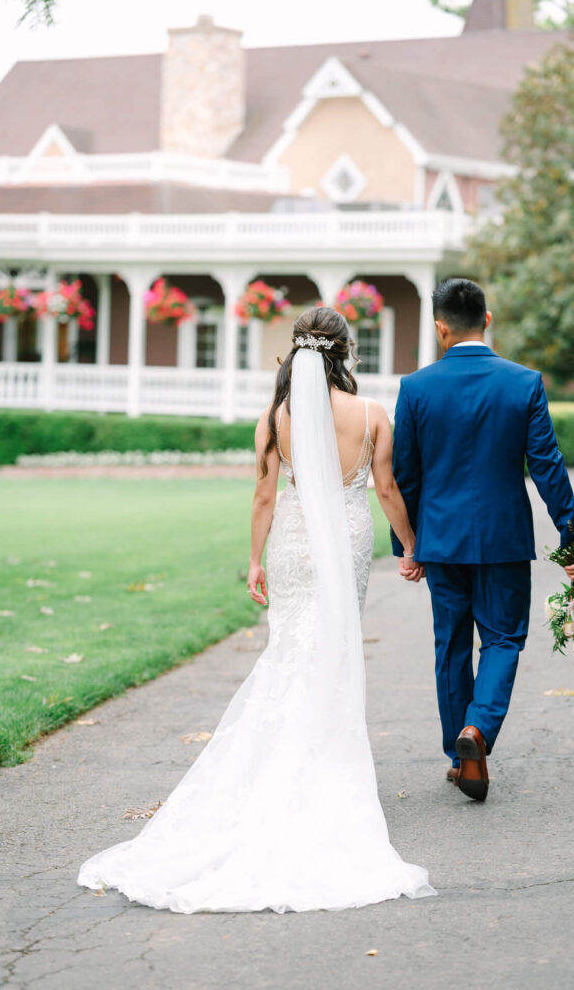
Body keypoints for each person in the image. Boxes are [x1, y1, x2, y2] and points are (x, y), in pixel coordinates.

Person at [77, 306, 436, 914]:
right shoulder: (375, 414)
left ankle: (280, 761)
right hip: (346, 539)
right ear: (345, 353)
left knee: (291, 648)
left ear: (294, 357)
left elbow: (265, 493)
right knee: (333, 646)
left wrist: (254, 560)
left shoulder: (275, 416)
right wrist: (409, 545)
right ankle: (321, 757)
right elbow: (386, 488)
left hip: (291, 542)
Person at [391, 278, 574, 803]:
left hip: (440, 541)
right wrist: (572, 534)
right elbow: (547, 465)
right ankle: (476, 732)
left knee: (451, 643)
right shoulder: (523, 383)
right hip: (504, 538)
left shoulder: (415, 388)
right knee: (503, 640)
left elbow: (405, 477)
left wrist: (406, 546)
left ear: (441, 328)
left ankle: (459, 753)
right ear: (488, 319)